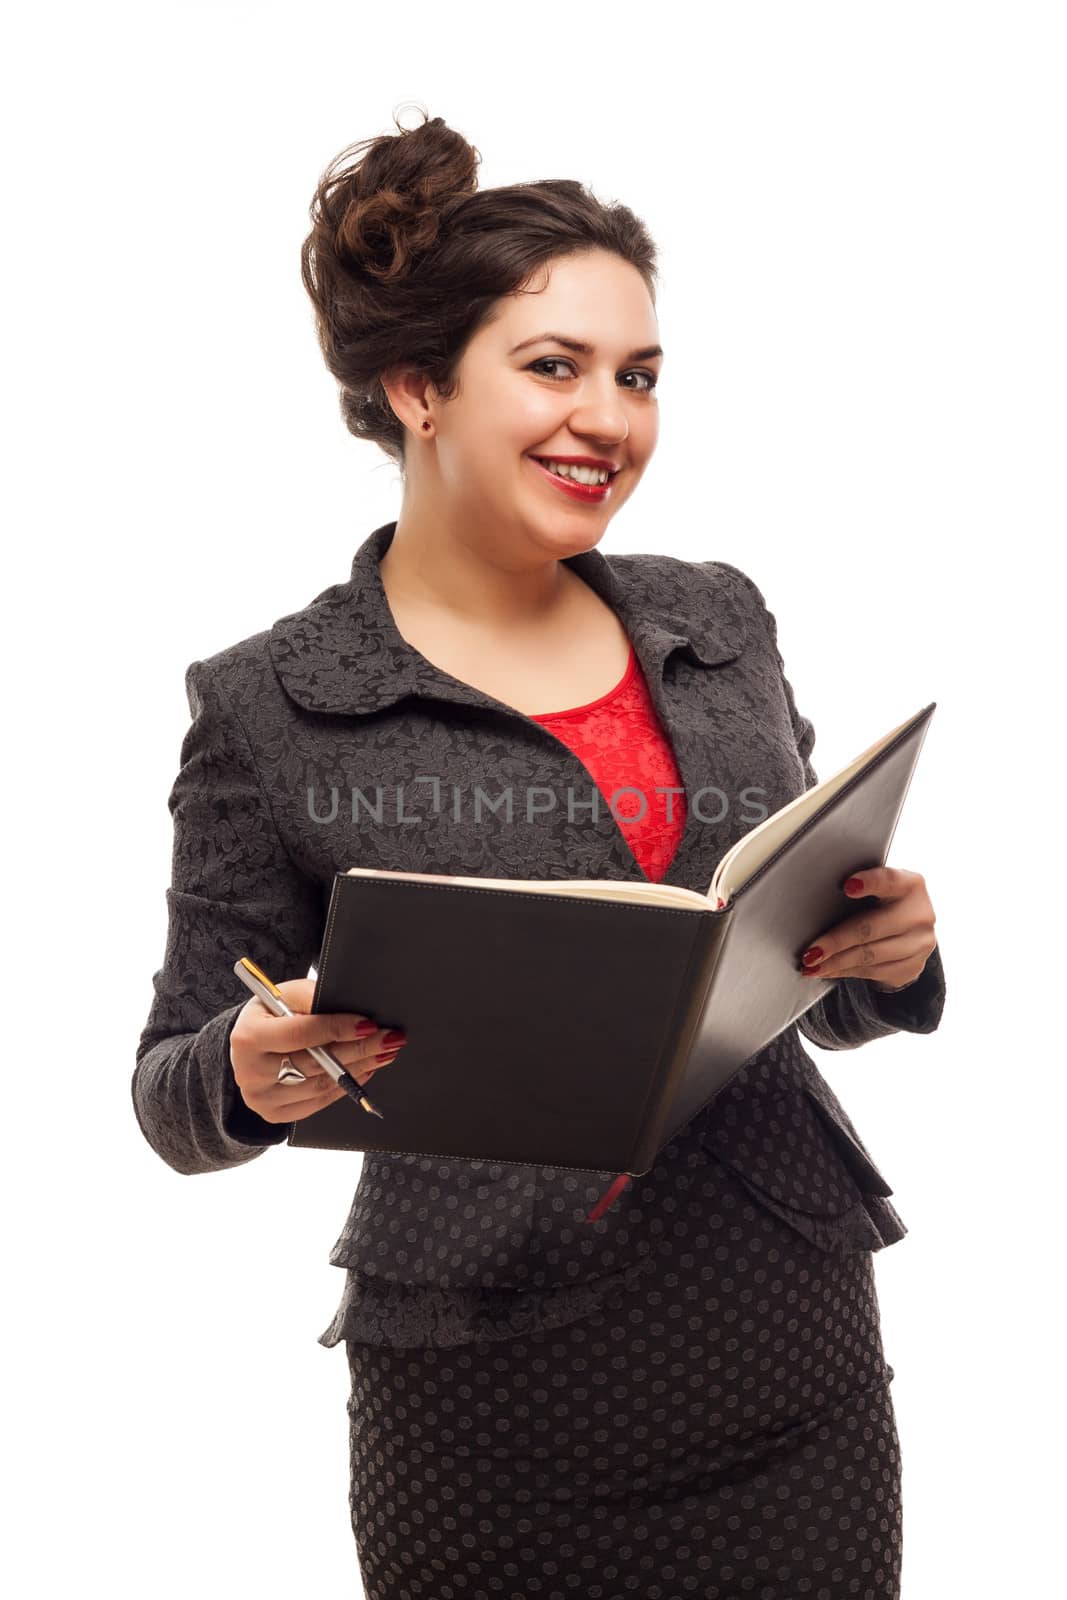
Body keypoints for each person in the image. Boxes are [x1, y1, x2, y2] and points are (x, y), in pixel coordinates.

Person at [133, 107, 946, 1600]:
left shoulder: (716, 621)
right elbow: (175, 1090)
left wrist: (884, 953)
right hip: (491, 1401)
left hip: (789, 1347)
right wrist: (252, 1070)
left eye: (638, 376)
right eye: (555, 368)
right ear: (417, 389)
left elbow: (792, 962)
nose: (611, 419)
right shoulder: (270, 702)